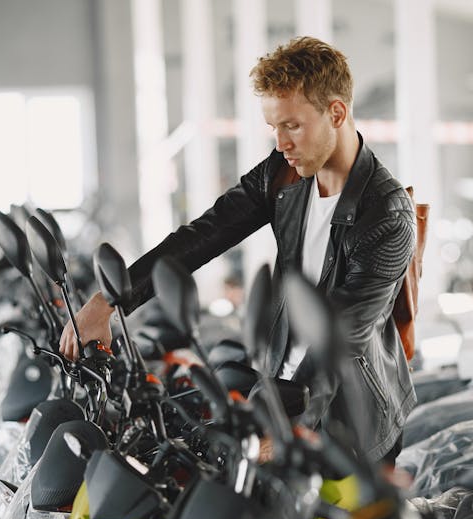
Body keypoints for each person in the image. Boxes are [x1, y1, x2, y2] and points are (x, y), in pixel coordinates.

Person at [60, 36, 416, 463]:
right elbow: (202, 236)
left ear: (336, 112)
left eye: (292, 126)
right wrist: (107, 303)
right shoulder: (285, 177)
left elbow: (339, 347)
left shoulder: (387, 216)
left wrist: (287, 434)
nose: (281, 143)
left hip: (347, 426)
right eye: (274, 128)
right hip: (279, 394)